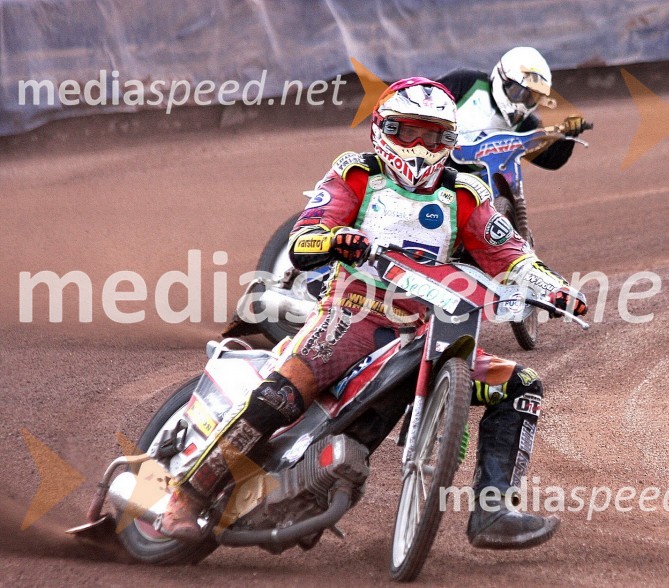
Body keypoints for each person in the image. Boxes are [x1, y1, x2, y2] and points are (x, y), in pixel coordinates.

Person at [160, 77, 588, 550]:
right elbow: (304, 239)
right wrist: (333, 240)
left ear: (450, 139)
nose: (421, 146)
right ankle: (186, 495)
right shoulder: (356, 173)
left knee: (520, 387)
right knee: (282, 393)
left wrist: (553, 286)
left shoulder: (466, 191)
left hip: (428, 330)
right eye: (408, 131)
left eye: (434, 134)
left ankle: (493, 512)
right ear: (384, 129)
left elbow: (506, 250)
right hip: (351, 316)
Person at [437, 46, 589, 172]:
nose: (523, 103)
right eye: (518, 93)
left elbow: (550, 160)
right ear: (502, 78)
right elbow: (425, 97)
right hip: (428, 164)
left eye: (531, 98)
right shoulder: (466, 82)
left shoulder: (524, 125)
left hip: (474, 186)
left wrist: (569, 135)